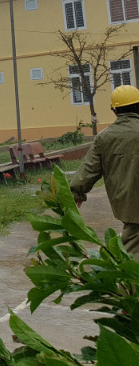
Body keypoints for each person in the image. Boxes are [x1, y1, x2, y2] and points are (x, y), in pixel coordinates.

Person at [70, 84, 139, 257]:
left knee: (130, 251)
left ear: (114, 110)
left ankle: (126, 283)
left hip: (128, 205)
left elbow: (89, 168)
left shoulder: (104, 137)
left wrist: (76, 192)